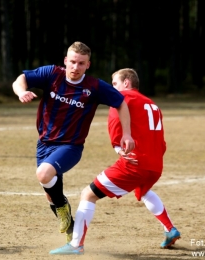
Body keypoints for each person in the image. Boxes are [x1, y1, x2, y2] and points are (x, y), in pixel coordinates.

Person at [12, 42, 135, 242]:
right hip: (44, 143)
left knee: (43, 174)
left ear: (88, 65)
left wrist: (126, 134)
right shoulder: (52, 74)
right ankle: (70, 229)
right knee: (50, 191)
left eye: (81, 63)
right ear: (65, 61)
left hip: (71, 146)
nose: (75, 67)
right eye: (72, 62)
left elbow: (120, 102)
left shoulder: (94, 86)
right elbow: (21, 79)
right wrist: (21, 92)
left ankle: (63, 210)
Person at [49, 68, 181, 255]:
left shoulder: (121, 99)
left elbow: (114, 125)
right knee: (143, 191)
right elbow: (159, 139)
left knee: (88, 194)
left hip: (134, 164)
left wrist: (117, 148)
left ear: (126, 83)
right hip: (155, 164)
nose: (113, 89)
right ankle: (170, 229)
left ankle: (76, 245)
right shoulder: (152, 104)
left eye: (115, 84)